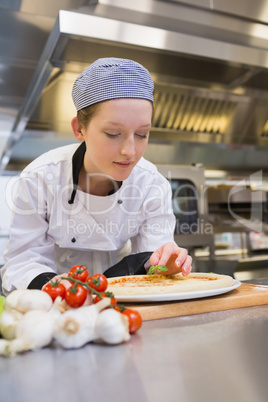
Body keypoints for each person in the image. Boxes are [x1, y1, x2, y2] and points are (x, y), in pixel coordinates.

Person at [1, 57, 192, 295]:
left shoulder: (151, 184)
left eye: (142, 134)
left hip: (125, 300)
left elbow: (154, 258)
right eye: (113, 133)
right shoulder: (40, 178)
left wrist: (167, 263)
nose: (130, 151)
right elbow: (22, 261)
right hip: (57, 303)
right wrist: (51, 283)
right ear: (79, 129)